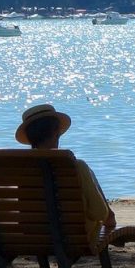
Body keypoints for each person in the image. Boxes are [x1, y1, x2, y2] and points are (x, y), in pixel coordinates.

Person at [15, 104, 115, 245]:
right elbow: (98, 213)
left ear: (30, 137)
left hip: (34, 238)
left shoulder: (20, 170)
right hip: (76, 237)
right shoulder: (75, 167)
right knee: (84, 169)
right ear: (56, 132)